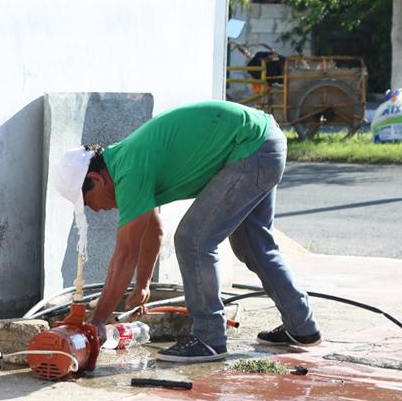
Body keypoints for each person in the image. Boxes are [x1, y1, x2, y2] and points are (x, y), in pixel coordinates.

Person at [53, 100, 319, 363]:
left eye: (87, 202)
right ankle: (302, 327)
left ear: (96, 180)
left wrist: (98, 320)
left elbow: (125, 254)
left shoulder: (129, 169)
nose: (95, 210)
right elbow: (153, 229)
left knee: (193, 240)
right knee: (254, 246)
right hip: (263, 141)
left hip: (251, 148)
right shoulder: (126, 160)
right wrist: (143, 285)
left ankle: (209, 338)